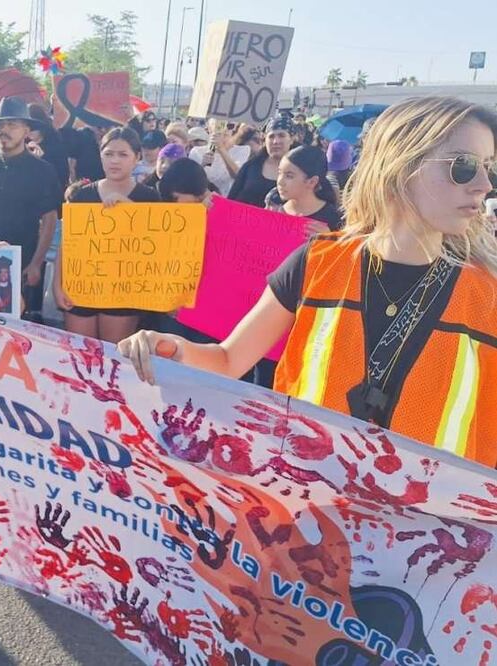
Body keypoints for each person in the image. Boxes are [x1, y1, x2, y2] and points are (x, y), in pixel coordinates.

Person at [120, 96, 497, 465]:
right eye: (463, 166)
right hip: (312, 512)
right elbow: (229, 359)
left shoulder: (488, 294)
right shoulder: (316, 263)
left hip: (432, 524)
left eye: (488, 166)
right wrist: (170, 349)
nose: (484, 184)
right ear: (399, 165)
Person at [54, 126, 160, 342]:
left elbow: (157, 246)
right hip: (81, 287)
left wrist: (130, 209)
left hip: (124, 292)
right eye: (109, 154)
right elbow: (67, 244)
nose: (115, 161)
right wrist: (57, 285)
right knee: (81, 358)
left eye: (123, 155)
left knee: (114, 360)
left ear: (136, 157)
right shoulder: (81, 195)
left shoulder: (149, 197)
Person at [0, 97, 62, 322]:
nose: (4, 130)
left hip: (23, 262)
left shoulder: (43, 171)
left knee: (20, 328)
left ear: (27, 130)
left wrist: (36, 263)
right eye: (0, 125)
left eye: (12, 125)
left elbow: (49, 219)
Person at [266, 145, 343, 233]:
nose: (280, 181)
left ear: (312, 182)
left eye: (289, 176)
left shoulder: (331, 217)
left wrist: (327, 239)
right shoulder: (273, 206)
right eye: (279, 173)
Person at [227, 116, 292, 207]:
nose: (276, 141)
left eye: (281, 136)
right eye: (271, 136)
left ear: (291, 139)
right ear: (264, 140)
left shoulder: (301, 171)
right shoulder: (250, 167)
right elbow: (231, 201)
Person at [190, 120, 251, 194]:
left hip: (226, 200)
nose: (225, 129)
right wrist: (202, 165)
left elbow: (238, 176)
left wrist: (221, 149)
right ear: (210, 128)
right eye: (220, 125)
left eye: (230, 126)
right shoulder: (197, 151)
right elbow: (190, 180)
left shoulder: (242, 150)